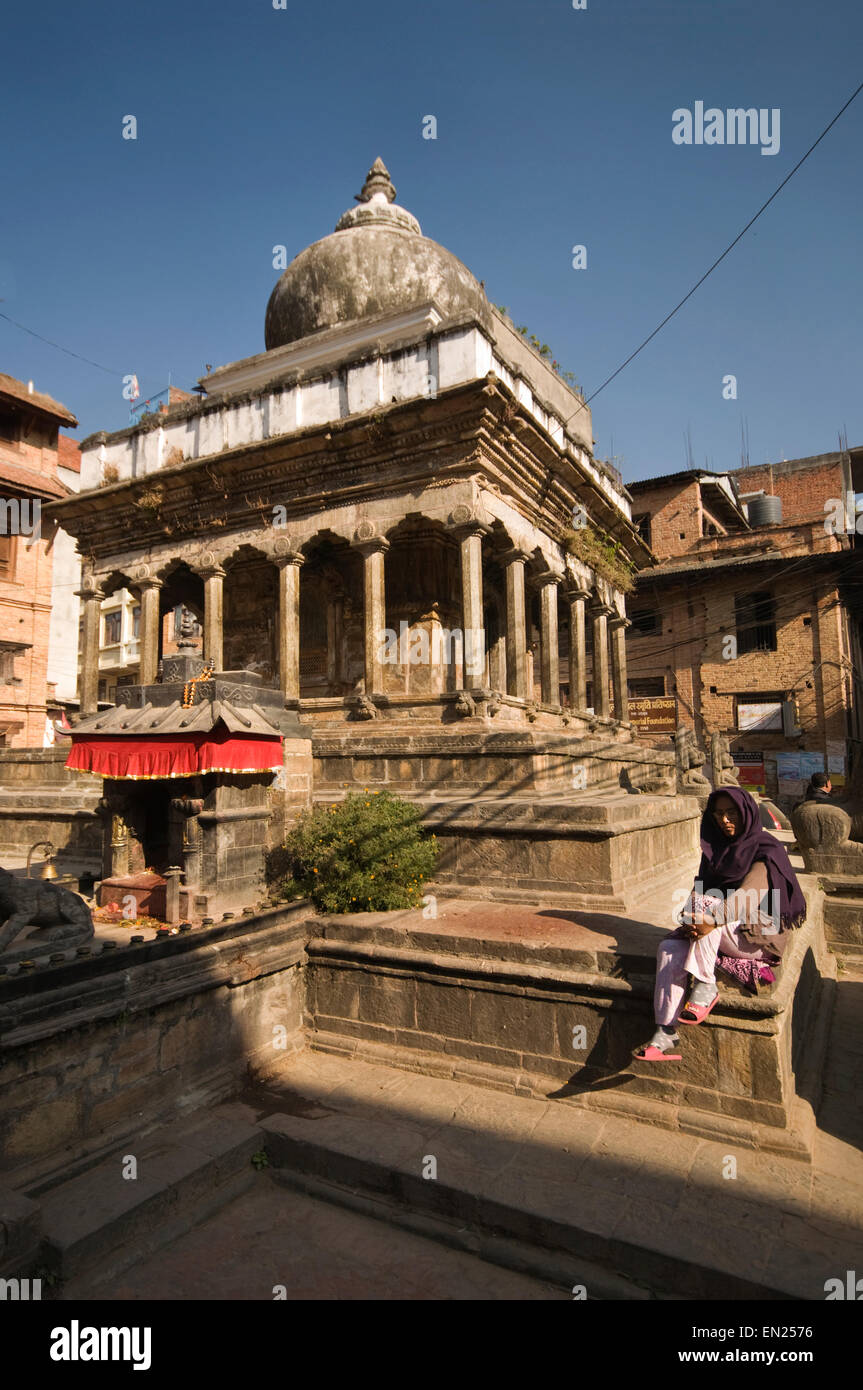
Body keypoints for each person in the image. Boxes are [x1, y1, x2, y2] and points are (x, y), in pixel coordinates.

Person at [634, 786, 806, 1061]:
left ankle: (705, 984)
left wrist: (708, 919)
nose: (724, 820)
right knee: (669, 947)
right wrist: (690, 920)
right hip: (720, 929)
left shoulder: (765, 850)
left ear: (746, 813)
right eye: (719, 814)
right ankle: (666, 1031)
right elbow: (698, 890)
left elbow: (746, 899)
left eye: (731, 813)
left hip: (757, 938)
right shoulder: (716, 851)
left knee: (706, 907)